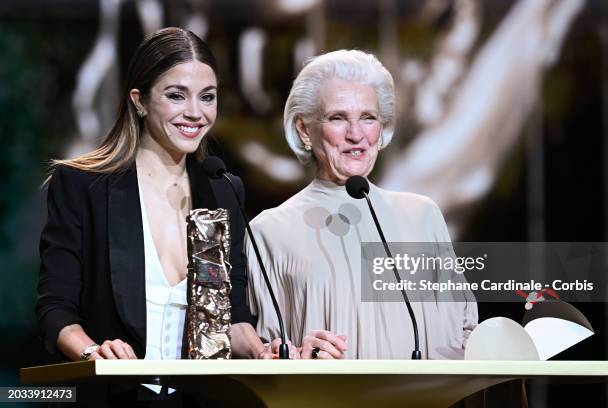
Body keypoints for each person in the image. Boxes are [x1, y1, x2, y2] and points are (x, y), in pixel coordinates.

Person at [37, 27, 278, 404]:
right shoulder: (84, 186)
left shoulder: (221, 190)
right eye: (176, 95)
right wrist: (92, 353)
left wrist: (263, 350)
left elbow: (231, 317)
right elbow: (56, 309)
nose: (195, 113)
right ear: (140, 100)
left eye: (207, 97)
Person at [246, 49, 478, 359]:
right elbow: (267, 356)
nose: (356, 135)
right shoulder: (269, 231)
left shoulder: (422, 215)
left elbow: (466, 332)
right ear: (304, 129)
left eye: (368, 118)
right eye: (338, 118)